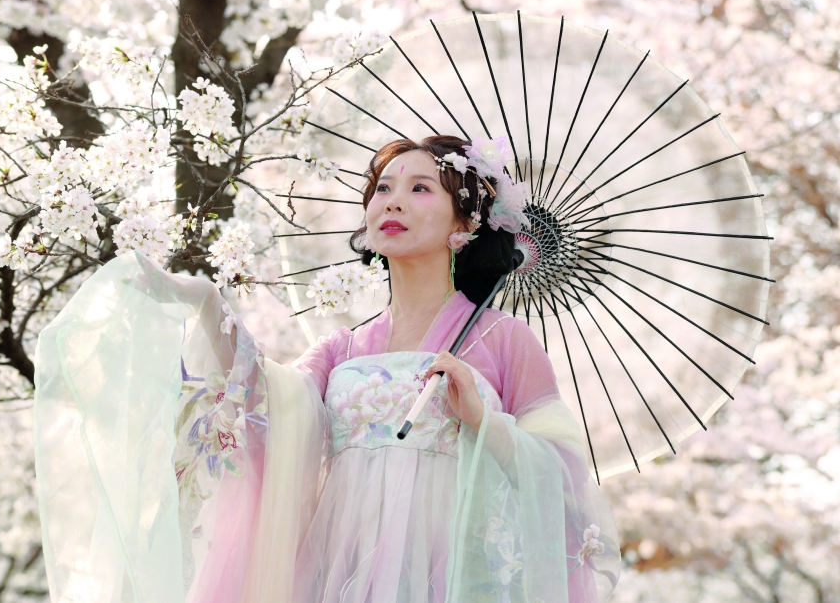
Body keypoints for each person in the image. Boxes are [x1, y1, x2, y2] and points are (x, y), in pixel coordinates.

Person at [34, 135, 621, 603]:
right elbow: (265, 398)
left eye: (420, 189)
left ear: (464, 224)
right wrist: (206, 302)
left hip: (454, 573)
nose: (391, 201)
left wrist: (483, 421)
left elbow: (565, 478)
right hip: (342, 565)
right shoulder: (343, 348)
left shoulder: (504, 341)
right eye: (382, 187)